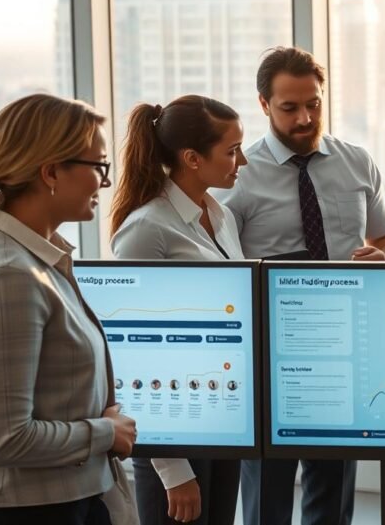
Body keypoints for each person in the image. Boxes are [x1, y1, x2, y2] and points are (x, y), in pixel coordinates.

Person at [218, 46, 385, 525]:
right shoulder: (237, 176)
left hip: (344, 352)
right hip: (272, 359)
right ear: (263, 105)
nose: (305, 117)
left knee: (333, 493)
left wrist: (383, 257)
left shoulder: (357, 162)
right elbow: (223, 270)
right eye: (290, 107)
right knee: (267, 500)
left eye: (313, 103)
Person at [0, 93, 137, 525]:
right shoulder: (9, 275)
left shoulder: (30, 259)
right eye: (98, 166)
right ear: (50, 173)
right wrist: (106, 433)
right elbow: (7, 440)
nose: (105, 182)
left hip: (58, 500)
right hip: (30, 509)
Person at [110, 95, 247, 525]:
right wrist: (172, 469)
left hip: (221, 418)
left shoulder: (219, 213)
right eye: (230, 151)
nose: (241, 160)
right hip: (174, 431)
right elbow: (133, 357)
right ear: (191, 158)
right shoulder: (146, 229)